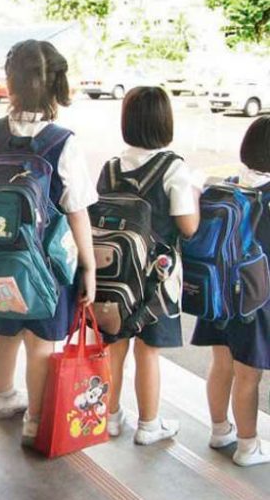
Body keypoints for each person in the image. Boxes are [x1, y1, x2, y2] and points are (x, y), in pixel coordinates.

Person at [0, 40, 97, 445]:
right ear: (57, 85)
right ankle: (35, 421)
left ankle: (4, 397)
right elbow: (76, 210)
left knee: (5, 334)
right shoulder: (63, 143)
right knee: (41, 343)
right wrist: (89, 267)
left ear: (10, 84)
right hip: (46, 266)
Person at [105, 87, 200, 445]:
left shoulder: (111, 167)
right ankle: (148, 425)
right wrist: (195, 194)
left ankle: (109, 417)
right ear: (164, 121)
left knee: (115, 345)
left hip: (114, 275)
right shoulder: (173, 168)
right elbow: (188, 227)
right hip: (157, 280)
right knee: (148, 351)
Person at [192, 116, 270, 466]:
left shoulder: (228, 187)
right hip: (254, 299)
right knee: (248, 374)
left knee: (221, 364)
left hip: (218, 293)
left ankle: (220, 429)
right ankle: (248, 446)